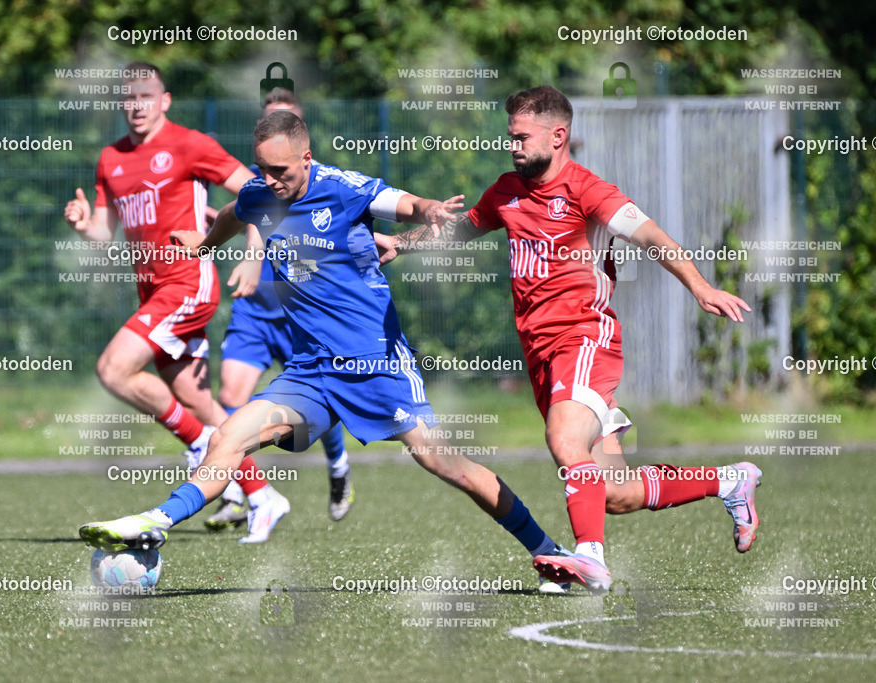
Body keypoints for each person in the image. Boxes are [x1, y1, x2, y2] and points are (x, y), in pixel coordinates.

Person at [79, 111, 572, 582]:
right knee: (228, 436)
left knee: (447, 465)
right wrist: (206, 245)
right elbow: (235, 210)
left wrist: (429, 209)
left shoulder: (341, 189)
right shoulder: (261, 193)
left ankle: (549, 551)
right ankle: (156, 521)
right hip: (311, 373)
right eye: (263, 170)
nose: (270, 181)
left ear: (307, 158)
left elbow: (400, 203)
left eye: (281, 171)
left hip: (375, 365)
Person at [376, 85, 762, 592]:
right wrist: (400, 243)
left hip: (583, 338)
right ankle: (730, 480)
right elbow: (466, 228)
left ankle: (590, 558)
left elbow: (650, 236)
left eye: (521, 137)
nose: (512, 146)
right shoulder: (506, 190)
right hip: (541, 353)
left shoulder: (588, 191)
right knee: (615, 492)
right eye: (509, 136)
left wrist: (700, 286)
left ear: (558, 136)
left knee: (562, 440)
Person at [63, 62, 289, 543]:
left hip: (187, 285)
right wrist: (84, 224)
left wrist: (252, 254)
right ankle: (262, 494)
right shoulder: (111, 158)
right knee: (198, 402)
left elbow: (257, 193)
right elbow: (104, 231)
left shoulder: (190, 145)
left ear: (164, 100)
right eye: (129, 97)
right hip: (153, 291)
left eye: (147, 96)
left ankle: (196, 444)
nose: (137, 105)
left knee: (113, 369)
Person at [204, 89, 355, 532]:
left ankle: (338, 463)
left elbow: (273, 234)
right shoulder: (256, 182)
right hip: (253, 311)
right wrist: (216, 229)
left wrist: (257, 249)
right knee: (230, 397)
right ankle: (240, 491)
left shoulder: (318, 188)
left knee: (314, 407)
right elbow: (243, 215)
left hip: (299, 315)